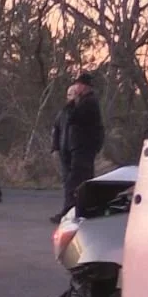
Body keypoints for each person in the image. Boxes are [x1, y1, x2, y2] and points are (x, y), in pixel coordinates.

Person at [50, 72, 104, 222]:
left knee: (75, 182)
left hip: (82, 150)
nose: (75, 89)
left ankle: (70, 211)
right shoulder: (67, 109)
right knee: (72, 181)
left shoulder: (89, 103)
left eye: (77, 87)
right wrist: (56, 147)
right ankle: (77, 211)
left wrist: (73, 103)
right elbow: (58, 128)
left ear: (84, 87)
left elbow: (75, 118)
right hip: (68, 150)